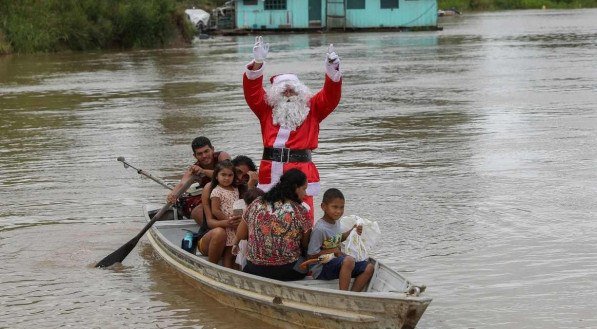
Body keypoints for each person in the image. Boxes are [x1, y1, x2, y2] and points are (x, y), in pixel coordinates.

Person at [243, 36, 342, 221]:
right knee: (268, 216)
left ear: (300, 91)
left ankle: (304, 249)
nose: (288, 94)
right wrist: (258, 62)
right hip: (271, 170)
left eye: (292, 91)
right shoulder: (266, 109)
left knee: (303, 215)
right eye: (283, 91)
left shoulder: (312, 108)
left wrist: (332, 68)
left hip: (301, 170)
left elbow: (331, 96)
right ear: (275, 94)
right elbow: (252, 91)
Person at [232, 169, 312, 281]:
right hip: (288, 271)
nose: (305, 194)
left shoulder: (256, 203)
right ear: (295, 187)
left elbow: (241, 234)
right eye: (304, 189)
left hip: (253, 269)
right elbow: (305, 243)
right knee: (307, 259)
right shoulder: (300, 210)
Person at [306, 188, 374, 291]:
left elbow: (337, 239)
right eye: (335, 207)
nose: (339, 211)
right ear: (323, 207)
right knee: (349, 260)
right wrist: (332, 251)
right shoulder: (320, 229)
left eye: (341, 207)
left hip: (337, 263)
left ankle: (352, 296)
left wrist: (352, 231)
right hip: (321, 267)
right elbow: (311, 254)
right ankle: (344, 295)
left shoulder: (336, 222)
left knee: (369, 268)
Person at [167, 136, 230, 225]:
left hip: (231, 193)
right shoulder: (194, 169)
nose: (204, 156)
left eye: (206, 151)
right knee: (197, 212)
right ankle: (213, 231)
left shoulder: (222, 156)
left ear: (212, 149)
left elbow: (227, 173)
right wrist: (173, 194)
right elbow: (182, 184)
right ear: (195, 156)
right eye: (200, 154)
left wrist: (204, 171)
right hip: (210, 198)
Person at [197, 160, 241, 265]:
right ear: (216, 176)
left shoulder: (236, 189)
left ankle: (229, 271)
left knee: (230, 252)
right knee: (220, 234)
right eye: (223, 175)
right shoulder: (215, 190)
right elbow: (215, 211)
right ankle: (213, 267)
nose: (227, 178)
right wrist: (227, 220)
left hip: (233, 226)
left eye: (230, 175)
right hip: (223, 227)